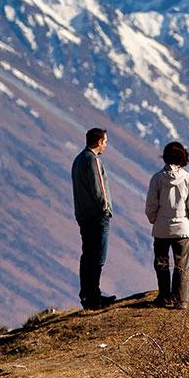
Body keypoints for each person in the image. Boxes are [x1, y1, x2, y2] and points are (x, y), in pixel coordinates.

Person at [145, 141, 189, 308]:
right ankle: (181, 300)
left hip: (161, 227)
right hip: (182, 228)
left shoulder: (157, 179)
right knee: (181, 265)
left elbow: (151, 205)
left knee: (161, 263)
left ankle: (164, 297)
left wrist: (154, 219)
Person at [72, 127, 116, 309]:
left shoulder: (78, 160)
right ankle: (93, 296)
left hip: (83, 214)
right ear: (99, 142)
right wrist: (105, 208)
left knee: (88, 255)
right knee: (98, 255)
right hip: (97, 215)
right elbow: (100, 189)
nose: (105, 145)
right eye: (105, 142)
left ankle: (89, 294)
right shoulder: (93, 160)